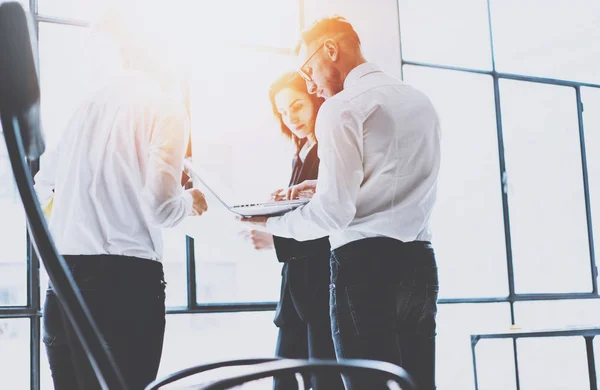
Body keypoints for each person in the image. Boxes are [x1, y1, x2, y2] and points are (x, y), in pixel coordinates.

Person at [241, 15, 441, 390]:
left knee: (365, 385)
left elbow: (334, 214)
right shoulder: (420, 101)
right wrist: (319, 186)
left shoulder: (341, 106)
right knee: (417, 383)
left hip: (364, 267)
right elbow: (390, 180)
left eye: (308, 68)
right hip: (419, 262)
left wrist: (270, 224)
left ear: (330, 49)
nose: (312, 83)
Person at [33, 5, 208, 390]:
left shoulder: (84, 108)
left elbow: (42, 185)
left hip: (62, 280)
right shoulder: (165, 108)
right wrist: (190, 202)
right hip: (125, 284)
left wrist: (74, 221)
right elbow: (161, 207)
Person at [244, 71, 344, 390]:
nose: (291, 119)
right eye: (284, 112)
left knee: (323, 381)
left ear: (315, 99)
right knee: (283, 377)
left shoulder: (329, 150)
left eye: (297, 106)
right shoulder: (300, 154)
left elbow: (328, 222)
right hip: (295, 293)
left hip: (319, 287)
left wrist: (275, 237)